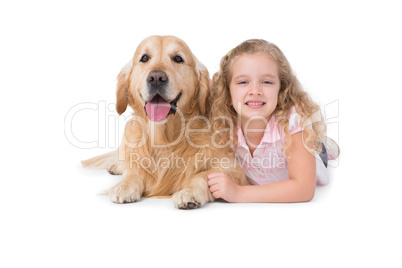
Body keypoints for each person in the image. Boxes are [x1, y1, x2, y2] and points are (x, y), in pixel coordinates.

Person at [207, 39, 339, 203]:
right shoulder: (225, 125)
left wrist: (239, 193)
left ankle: (322, 146)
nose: (255, 91)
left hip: (313, 160)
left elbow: (304, 189)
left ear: (281, 90)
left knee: (317, 149)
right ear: (227, 93)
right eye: (243, 82)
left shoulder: (292, 121)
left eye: (267, 82)